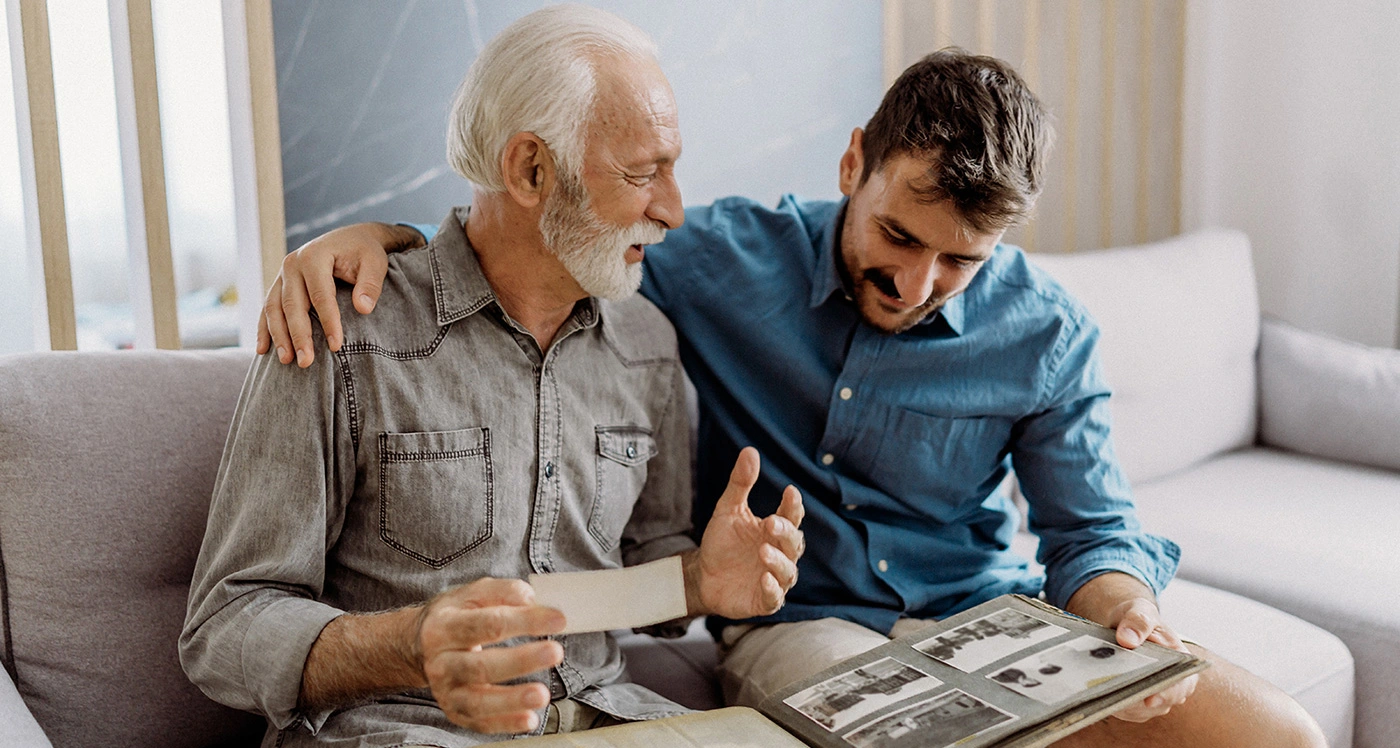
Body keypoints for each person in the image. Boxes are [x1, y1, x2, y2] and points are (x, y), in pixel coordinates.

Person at [260, 34, 1328, 748]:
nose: (912, 286)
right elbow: (537, 240)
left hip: (990, 613)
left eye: (958, 263)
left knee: (1275, 730)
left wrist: (1124, 613)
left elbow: (1090, 531)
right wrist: (379, 246)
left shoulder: (1043, 332)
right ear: (853, 161)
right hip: (807, 622)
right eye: (897, 236)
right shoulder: (715, 260)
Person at [180, 6, 805, 747]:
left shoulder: (647, 342)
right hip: (404, 728)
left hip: (607, 719)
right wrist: (411, 644)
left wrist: (700, 580)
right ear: (530, 170)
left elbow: (638, 566)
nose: (672, 209)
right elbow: (226, 625)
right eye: (642, 174)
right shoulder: (343, 329)